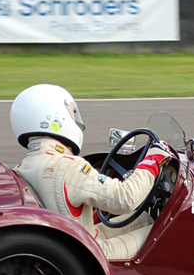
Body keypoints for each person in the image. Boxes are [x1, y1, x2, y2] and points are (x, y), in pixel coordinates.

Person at [11, 84, 172, 260]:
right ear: (55, 118)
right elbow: (126, 198)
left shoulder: (22, 167)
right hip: (90, 253)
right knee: (165, 230)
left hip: (68, 245)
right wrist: (152, 160)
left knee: (143, 218)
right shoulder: (68, 166)